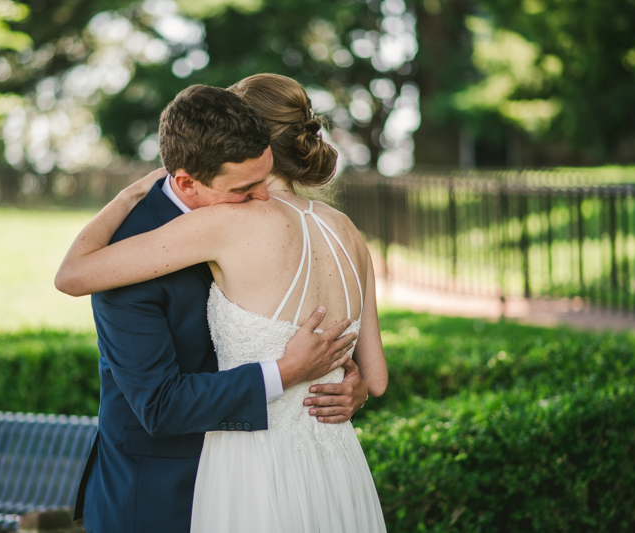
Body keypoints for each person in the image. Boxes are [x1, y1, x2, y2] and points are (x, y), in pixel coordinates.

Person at [57, 74, 388, 532]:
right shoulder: (135, 240)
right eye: (243, 191)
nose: (259, 198)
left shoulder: (239, 219)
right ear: (189, 180)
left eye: (259, 181)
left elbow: (369, 379)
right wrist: (293, 373)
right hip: (157, 492)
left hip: (254, 471)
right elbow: (158, 404)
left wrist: (350, 388)